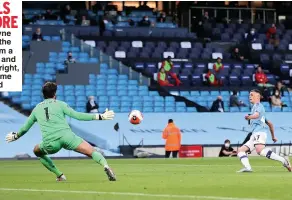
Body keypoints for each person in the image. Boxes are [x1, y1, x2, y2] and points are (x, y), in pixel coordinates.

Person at [5, 82, 116, 181]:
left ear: (43, 94)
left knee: (36, 150)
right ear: (55, 94)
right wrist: (100, 116)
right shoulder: (61, 104)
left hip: (50, 143)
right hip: (67, 137)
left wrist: (16, 136)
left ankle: (60, 175)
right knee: (92, 151)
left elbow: (25, 128)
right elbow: (78, 116)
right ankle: (106, 166)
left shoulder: (37, 109)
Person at [236, 89, 291, 173]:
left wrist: (249, 117)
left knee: (260, 150)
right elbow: (270, 124)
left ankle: (284, 161)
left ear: (258, 96)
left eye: (252, 95)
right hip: (254, 134)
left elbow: (256, 115)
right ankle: (248, 168)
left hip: (260, 133)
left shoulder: (259, 106)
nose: (249, 96)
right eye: (249, 95)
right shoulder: (255, 108)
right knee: (241, 150)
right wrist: (273, 136)